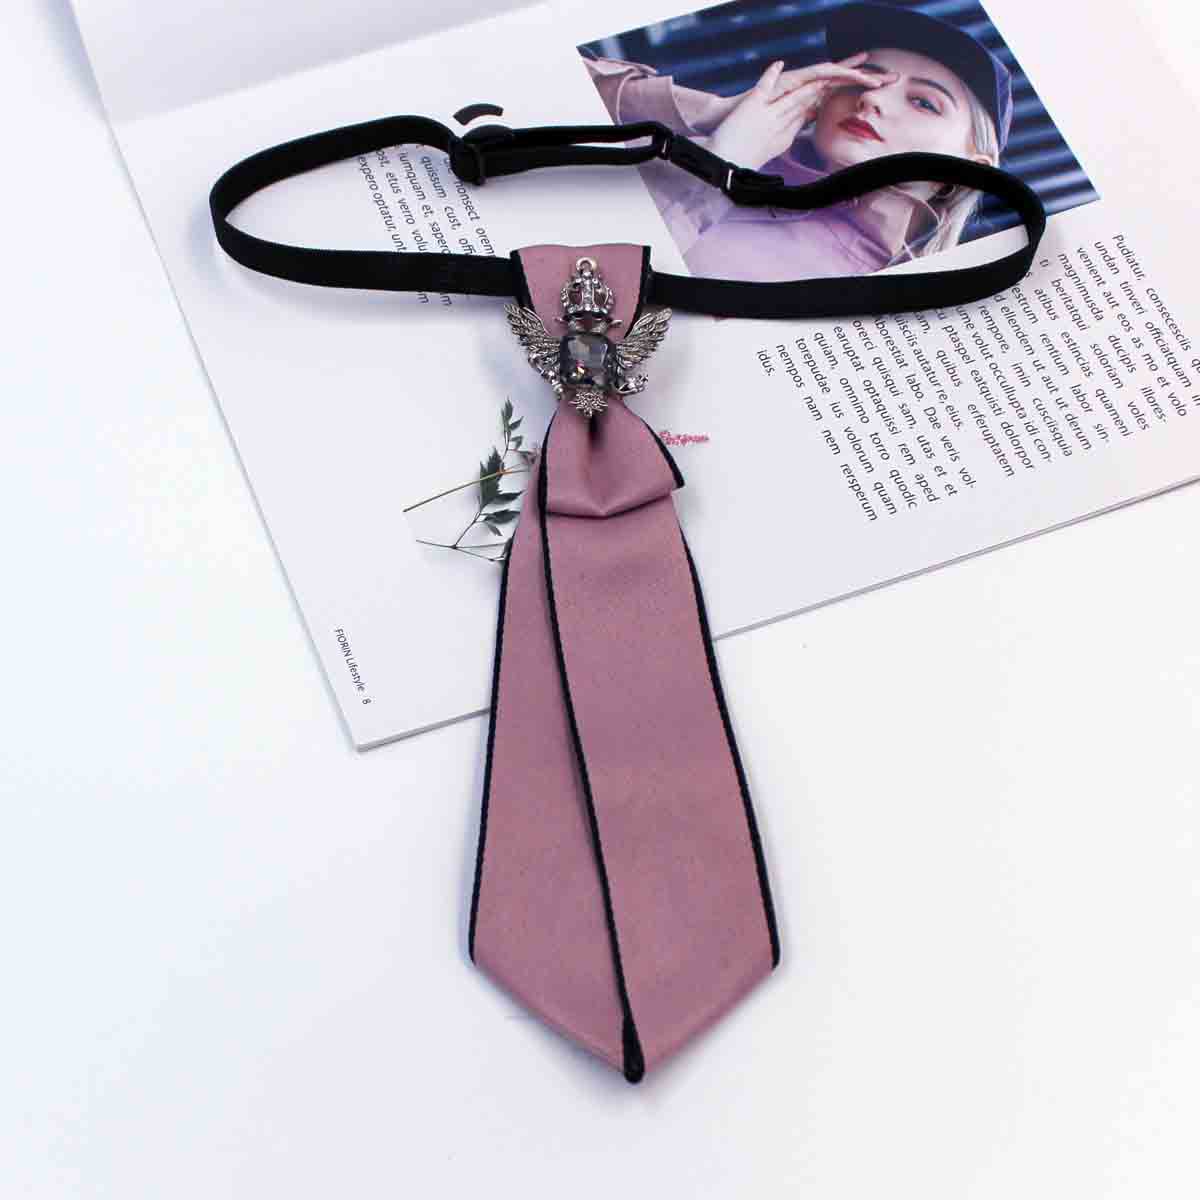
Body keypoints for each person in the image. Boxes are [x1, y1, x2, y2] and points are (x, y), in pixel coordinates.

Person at [582, 1, 1014, 281]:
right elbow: (555, 89)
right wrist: (715, 113)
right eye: (864, 77)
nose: (872, 98)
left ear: (970, 169)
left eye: (923, 102)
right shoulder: (719, 138)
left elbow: (601, 288)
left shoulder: (863, 292)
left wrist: (716, 169)